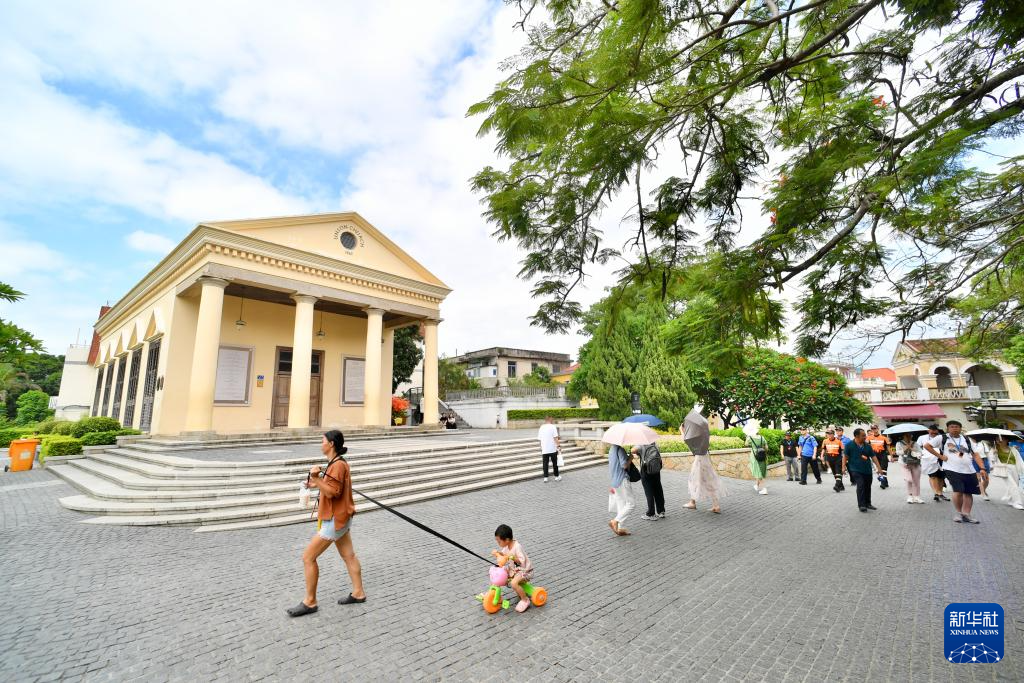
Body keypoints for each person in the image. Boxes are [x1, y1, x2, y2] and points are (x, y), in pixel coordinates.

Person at [287, 430, 364, 617]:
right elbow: (331, 486)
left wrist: (316, 478)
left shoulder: (337, 465)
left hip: (334, 519)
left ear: (331, 444)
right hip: (342, 517)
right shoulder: (337, 462)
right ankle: (358, 592)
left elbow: (331, 492)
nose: (320, 444)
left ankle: (310, 602)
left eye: (322, 441)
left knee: (308, 557)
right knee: (349, 556)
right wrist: (316, 484)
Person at [927, 420, 983, 524]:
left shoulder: (966, 439)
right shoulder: (942, 438)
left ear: (960, 428)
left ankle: (967, 514)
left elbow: (975, 454)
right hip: (951, 468)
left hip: (969, 469)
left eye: (957, 427)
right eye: (952, 427)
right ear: (948, 428)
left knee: (968, 492)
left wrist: (982, 468)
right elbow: (927, 445)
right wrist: (940, 456)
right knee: (958, 491)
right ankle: (959, 513)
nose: (954, 428)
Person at [681, 409, 722, 513]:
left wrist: (681, 431)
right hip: (705, 456)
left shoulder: (695, 436)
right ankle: (715, 505)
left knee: (694, 480)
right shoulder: (703, 433)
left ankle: (693, 503)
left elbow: (686, 440)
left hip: (700, 459)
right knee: (708, 480)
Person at [491, 524, 534, 613]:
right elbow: (503, 555)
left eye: (499, 541)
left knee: (514, 583)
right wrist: (497, 553)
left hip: (524, 570)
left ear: (507, 540)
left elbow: (521, 561)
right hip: (513, 569)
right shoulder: (506, 546)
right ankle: (494, 594)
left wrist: (513, 557)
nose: (498, 543)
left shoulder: (517, 547)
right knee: (499, 573)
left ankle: (525, 600)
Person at [843, 428, 880, 512]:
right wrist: (843, 467)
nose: (865, 437)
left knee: (867, 486)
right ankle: (862, 505)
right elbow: (845, 456)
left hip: (867, 470)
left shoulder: (867, 446)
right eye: (863, 435)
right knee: (861, 485)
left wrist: (879, 467)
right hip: (855, 469)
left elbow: (873, 456)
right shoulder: (849, 445)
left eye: (865, 435)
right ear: (856, 436)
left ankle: (868, 503)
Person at [608, 444, 635, 535]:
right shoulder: (620, 449)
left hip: (615, 481)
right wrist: (630, 458)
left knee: (621, 504)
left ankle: (620, 528)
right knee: (631, 504)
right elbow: (624, 465)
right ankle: (615, 521)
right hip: (622, 480)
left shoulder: (612, 449)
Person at [633, 443, 665, 520]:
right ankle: (661, 511)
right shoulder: (655, 444)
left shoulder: (641, 445)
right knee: (658, 490)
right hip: (656, 470)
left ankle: (651, 513)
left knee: (649, 492)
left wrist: (636, 447)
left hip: (646, 470)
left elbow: (632, 450)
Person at [918, 424, 948, 502]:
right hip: (928, 460)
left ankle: (940, 493)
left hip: (940, 458)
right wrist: (920, 454)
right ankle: (936, 493)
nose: (934, 434)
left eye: (935, 433)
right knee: (932, 476)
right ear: (928, 431)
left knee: (941, 477)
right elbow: (918, 447)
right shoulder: (922, 438)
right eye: (932, 433)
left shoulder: (941, 437)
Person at [895, 432, 925, 504]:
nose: (909, 437)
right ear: (903, 436)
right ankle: (910, 496)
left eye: (910, 435)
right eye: (907, 435)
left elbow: (921, 452)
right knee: (909, 480)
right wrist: (905, 448)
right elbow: (898, 453)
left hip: (915, 463)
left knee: (916, 481)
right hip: (904, 464)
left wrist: (912, 449)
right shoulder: (899, 443)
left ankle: (917, 497)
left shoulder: (915, 443)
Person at [537, 416, 561, 482]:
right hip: (552, 448)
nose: (553, 420)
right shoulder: (553, 427)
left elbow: (539, 439)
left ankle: (545, 477)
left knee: (545, 463)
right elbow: (555, 438)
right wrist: (558, 446)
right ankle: (556, 476)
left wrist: (541, 447)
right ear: (550, 419)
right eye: (552, 419)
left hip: (544, 449)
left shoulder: (541, 427)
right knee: (555, 463)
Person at [745, 427, 769, 494]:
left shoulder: (750, 438)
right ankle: (757, 485)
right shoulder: (762, 437)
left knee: (758, 471)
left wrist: (747, 437)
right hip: (762, 455)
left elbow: (746, 444)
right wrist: (762, 449)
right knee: (760, 470)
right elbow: (766, 447)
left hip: (755, 456)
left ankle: (764, 489)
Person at [975, 436, 995, 501]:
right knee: (979, 479)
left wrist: (991, 464)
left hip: (984, 460)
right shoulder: (970, 444)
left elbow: (988, 455)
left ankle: (983, 490)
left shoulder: (983, 444)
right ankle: (983, 494)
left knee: (986, 480)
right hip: (974, 461)